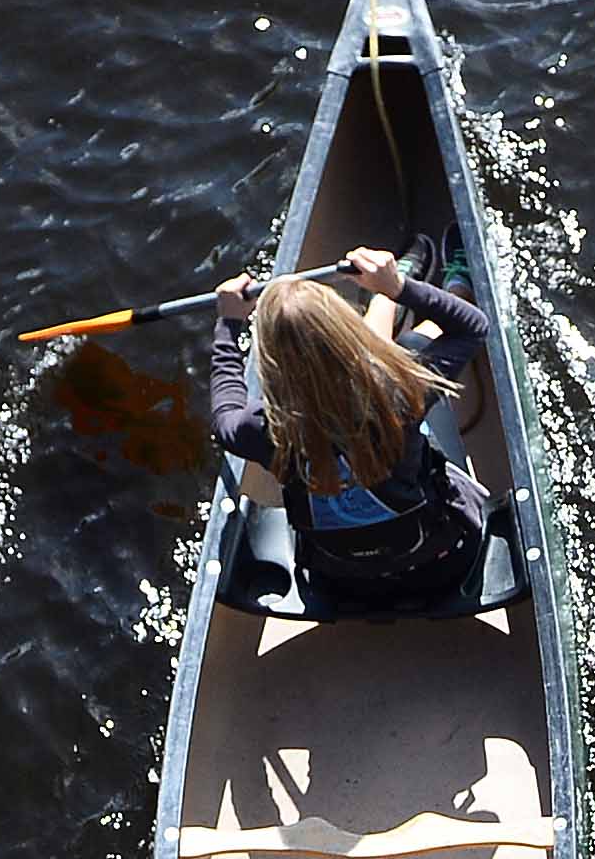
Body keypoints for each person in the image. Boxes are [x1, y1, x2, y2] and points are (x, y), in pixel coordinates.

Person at [209, 245, 494, 603]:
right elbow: (471, 326)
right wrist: (400, 286)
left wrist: (228, 324)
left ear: (272, 360)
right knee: (411, 345)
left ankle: (384, 297)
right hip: (443, 566)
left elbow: (225, 414)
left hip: (340, 582)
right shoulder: (401, 390)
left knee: (398, 350)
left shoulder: (264, 427)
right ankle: (421, 289)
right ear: (345, 332)